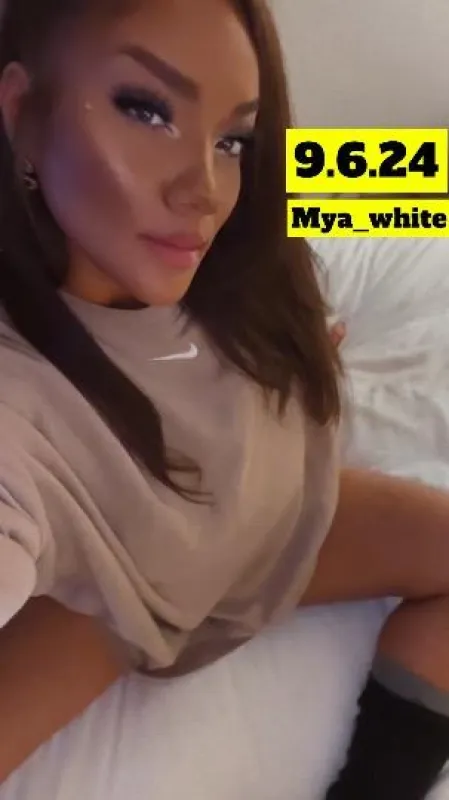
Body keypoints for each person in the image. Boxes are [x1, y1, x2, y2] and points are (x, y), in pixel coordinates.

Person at [0, 0, 449, 797]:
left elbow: (410, 174)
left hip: (276, 523)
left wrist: (285, 365)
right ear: (20, 111)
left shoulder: (242, 250)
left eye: (232, 139)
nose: (202, 190)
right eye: (146, 110)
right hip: (120, 596)